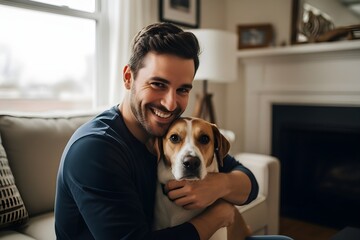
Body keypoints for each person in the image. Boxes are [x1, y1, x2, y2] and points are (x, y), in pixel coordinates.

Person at [55, 22, 292, 240]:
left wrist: (220, 185)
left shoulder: (169, 129)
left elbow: (250, 184)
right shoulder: (95, 149)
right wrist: (218, 215)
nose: (170, 104)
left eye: (182, 89)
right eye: (158, 84)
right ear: (128, 77)